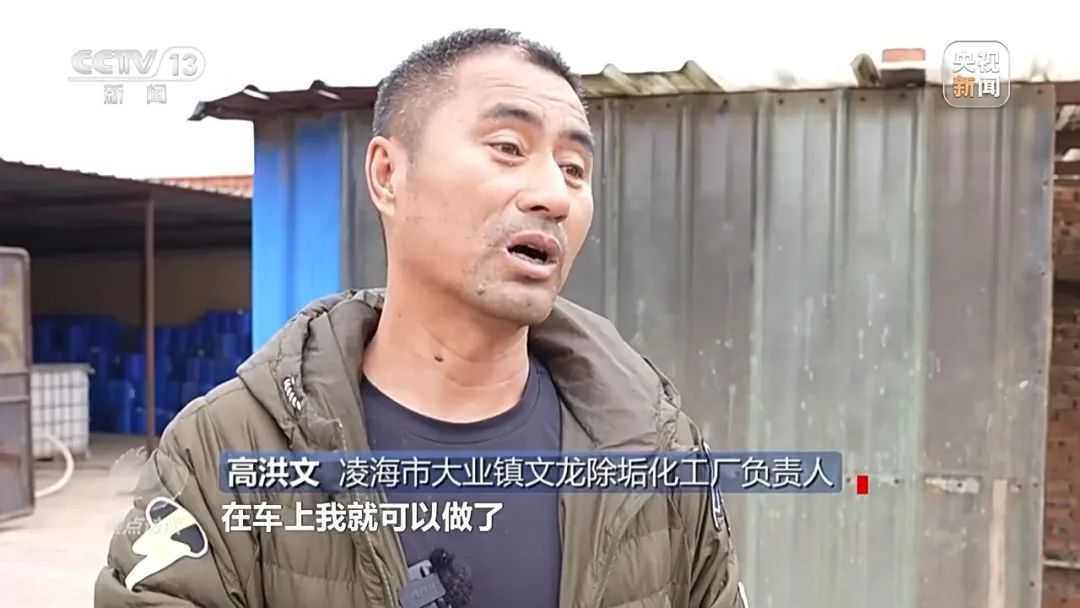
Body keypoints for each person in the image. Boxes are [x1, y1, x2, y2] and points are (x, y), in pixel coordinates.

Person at [95, 28, 748, 608]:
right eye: (508, 147)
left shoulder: (655, 449)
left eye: (574, 169)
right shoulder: (224, 451)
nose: (554, 194)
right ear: (388, 174)